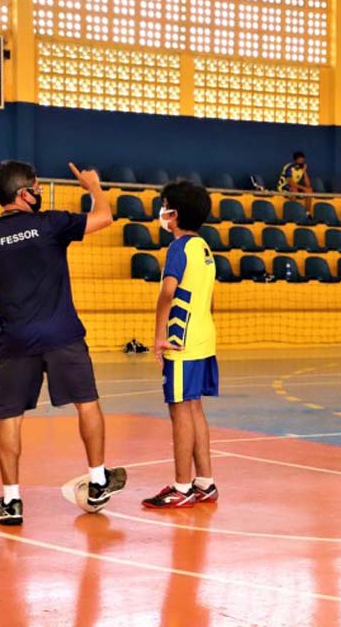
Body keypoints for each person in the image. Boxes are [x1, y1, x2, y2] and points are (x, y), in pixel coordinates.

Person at [0, 161, 126, 525]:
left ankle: (11, 501)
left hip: (15, 341)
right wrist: (93, 187)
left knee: (9, 418)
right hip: (62, 335)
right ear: (23, 194)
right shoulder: (49, 224)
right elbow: (104, 218)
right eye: (35, 188)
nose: (39, 193)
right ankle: (98, 481)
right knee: (87, 404)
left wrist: (4, 296)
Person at [142, 180, 219, 508]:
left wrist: (159, 336)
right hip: (204, 337)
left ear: (173, 214)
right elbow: (211, 299)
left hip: (181, 342)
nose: (161, 213)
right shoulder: (204, 247)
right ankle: (205, 482)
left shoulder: (178, 249)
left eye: (164, 206)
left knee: (179, 411)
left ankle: (182, 486)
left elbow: (167, 293)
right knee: (194, 407)